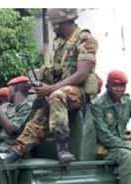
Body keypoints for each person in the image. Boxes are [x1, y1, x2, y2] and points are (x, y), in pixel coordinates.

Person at [34, 8, 99, 163]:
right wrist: (40, 84)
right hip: (60, 87)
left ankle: (62, 147)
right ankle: (20, 147)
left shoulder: (85, 39)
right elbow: (55, 70)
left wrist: (50, 89)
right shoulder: (60, 43)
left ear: (59, 24)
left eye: (54, 24)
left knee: (57, 96)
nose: (52, 28)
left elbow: (81, 74)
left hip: (79, 92)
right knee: (37, 104)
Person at [0, 76, 49, 160]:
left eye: (9, 88)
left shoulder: (28, 107)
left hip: (15, 149)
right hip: (0, 146)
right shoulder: (7, 107)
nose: (7, 91)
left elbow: (12, 130)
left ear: (15, 88)